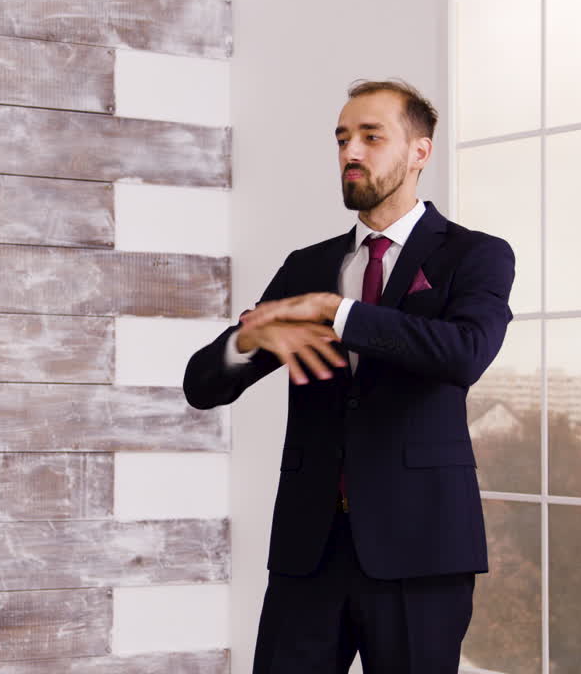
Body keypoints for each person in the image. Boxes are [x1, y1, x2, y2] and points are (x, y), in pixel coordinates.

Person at [184, 80, 515, 672]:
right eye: (342, 139)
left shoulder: (475, 255)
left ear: (420, 151)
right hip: (309, 552)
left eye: (370, 136)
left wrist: (339, 313)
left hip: (421, 553)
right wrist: (248, 338)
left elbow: (465, 352)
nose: (350, 153)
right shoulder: (306, 266)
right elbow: (203, 387)